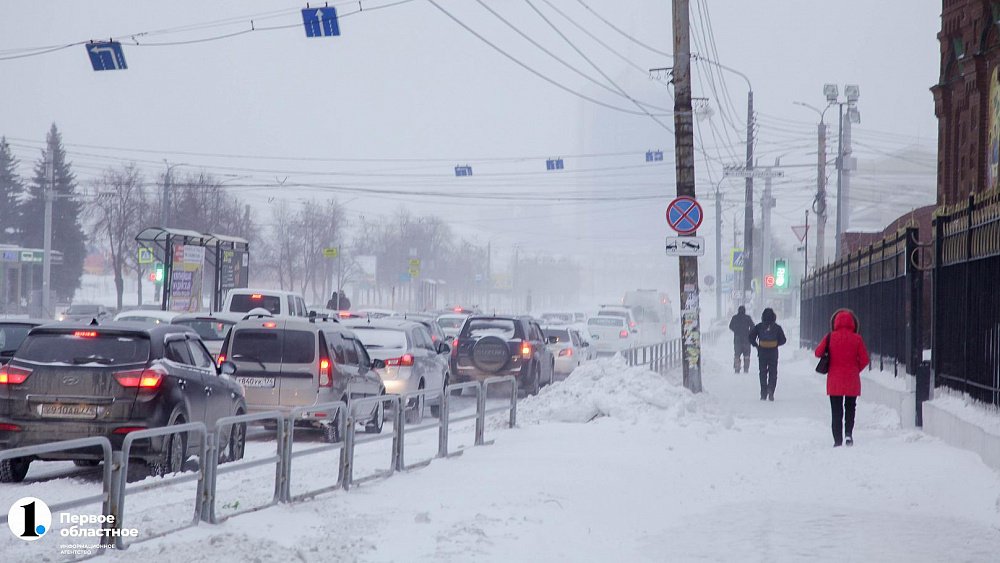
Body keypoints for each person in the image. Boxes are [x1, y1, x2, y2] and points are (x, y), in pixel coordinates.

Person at [814, 309, 869, 447]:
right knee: (851, 408)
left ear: (835, 322)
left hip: (834, 380)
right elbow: (865, 359)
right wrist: (856, 369)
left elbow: (818, 353)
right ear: (853, 323)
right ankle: (848, 434)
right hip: (852, 379)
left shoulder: (830, 337)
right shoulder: (857, 338)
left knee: (836, 410)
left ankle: (837, 439)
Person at [749, 307, 787, 401]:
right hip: (773, 352)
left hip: (762, 351)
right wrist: (776, 344)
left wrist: (756, 345)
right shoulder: (777, 327)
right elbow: (783, 340)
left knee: (762, 372)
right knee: (773, 372)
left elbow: (751, 337)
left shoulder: (759, 326)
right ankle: (771, 390)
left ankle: (763, 393)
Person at [728, 306, 754, 374]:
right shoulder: (747, 318)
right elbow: (752, 326)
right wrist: (749, 332)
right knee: (747, 355)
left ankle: (737, 369)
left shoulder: (735, 317)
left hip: (737, 339)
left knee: (737, 354)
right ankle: (746, 369)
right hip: (746, 339)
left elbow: (730, 326)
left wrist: (736, 330)